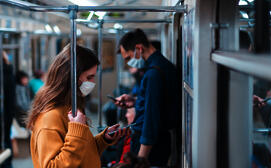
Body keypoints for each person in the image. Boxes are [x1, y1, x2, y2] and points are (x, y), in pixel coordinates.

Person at [26, 44, 129, 168]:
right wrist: (76, 130)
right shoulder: (50, 118)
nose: (93, 83)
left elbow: (80, 153)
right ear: (71, 78)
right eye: (89, 77)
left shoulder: (69, 107)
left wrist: (102, 140)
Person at [115, 28, 180, 166]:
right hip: (157, 141)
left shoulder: (153, 74)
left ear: (139, 48)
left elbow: (151, 119)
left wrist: (140, 159)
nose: (128, 63)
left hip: (149, 146)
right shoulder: (162, 66)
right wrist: (135, 101)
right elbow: (159, 103)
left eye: (128, 58)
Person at [0, 51, 16, 168]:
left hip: (3, 111)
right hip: (8, 111)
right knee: (6, 137)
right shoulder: (9, 72)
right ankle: (8, 163)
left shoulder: (3, 75)